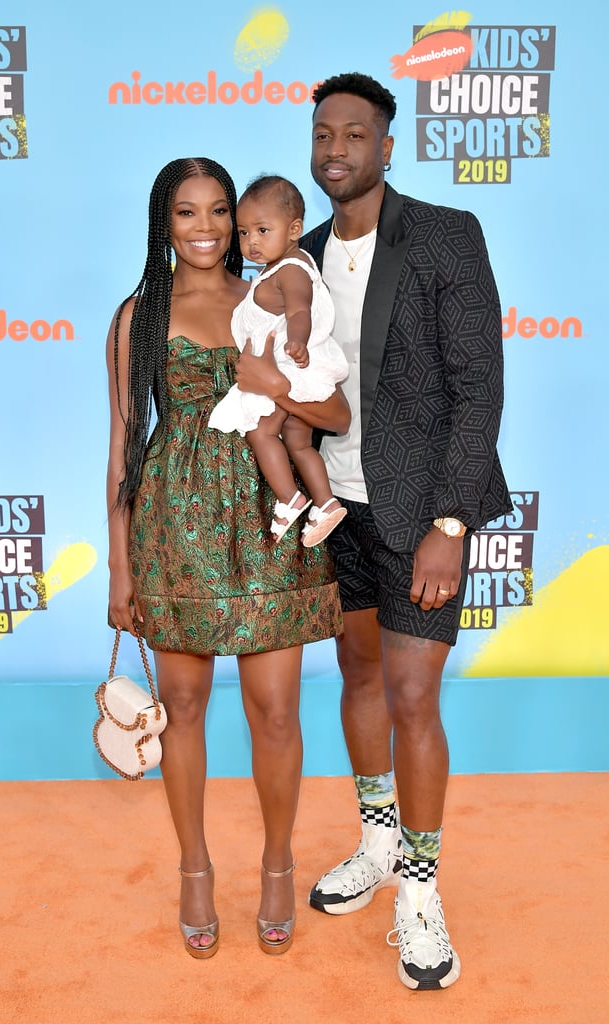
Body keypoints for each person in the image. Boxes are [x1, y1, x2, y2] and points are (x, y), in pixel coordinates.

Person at [235, 74, 511, 990]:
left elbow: (479, 392)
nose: (336, 149)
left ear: (387, 148)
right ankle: (378, 840)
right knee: (356, 675)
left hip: (422, 511)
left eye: (356, 134)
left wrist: (451, 521)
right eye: (323, 134)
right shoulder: (297, 258)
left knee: (412, 696)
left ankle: (422, 891)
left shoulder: (444, 236)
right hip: (337, 510)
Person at [105, 157, 349, 960]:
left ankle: (278, 866)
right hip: (174, 523)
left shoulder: (274, 297)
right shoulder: (139, 316)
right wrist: (119, 566)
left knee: (276, 711)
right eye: (187, 213)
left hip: (266, 512)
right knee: (182, 707)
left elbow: (331, 408)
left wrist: (274, 382)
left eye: (219, 212)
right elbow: (122, 445)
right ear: (162, 223)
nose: (207, 229)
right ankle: (196, 870)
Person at [208, 174, 349, 547]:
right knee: (298, 442)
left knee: (261, 432)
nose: (251, 242)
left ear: (294, 229)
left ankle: (289, 499)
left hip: (291, 367)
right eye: (243, 232)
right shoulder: (278, 267)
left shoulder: (290, 269)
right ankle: (326, 502)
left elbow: (300, 310)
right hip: (295, 368)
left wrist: (298, 343)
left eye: (262, 230)